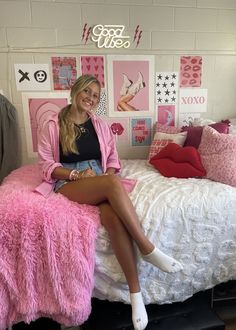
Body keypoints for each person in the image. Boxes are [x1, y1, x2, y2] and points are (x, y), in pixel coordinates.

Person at [36, 74, 183, 330]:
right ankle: (148, 249)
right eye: (87, 92)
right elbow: (46, 165)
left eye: (95, 96)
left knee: (114, 219)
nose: (91, 99)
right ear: (75, 91)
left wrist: (109, 174)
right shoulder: (52, 123)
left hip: (99, 178)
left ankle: (136, 296)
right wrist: (76, 174)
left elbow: (113, 158)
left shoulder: (100, 125)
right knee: (112, 185)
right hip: (69, 182)